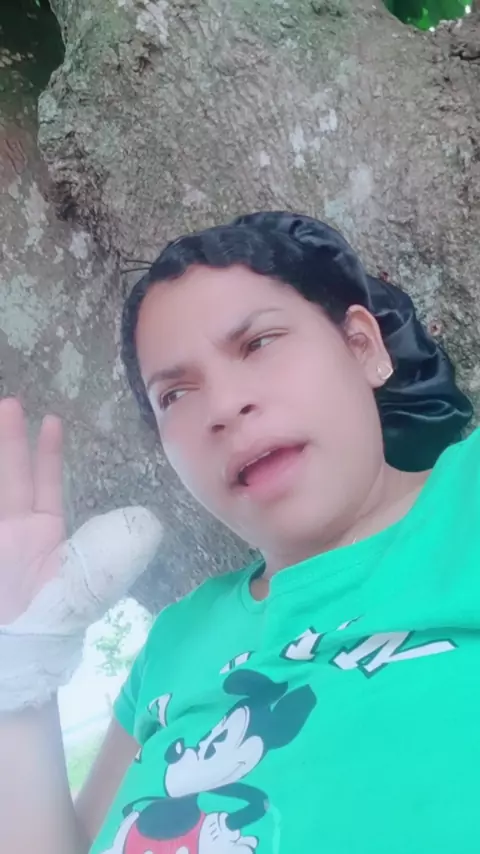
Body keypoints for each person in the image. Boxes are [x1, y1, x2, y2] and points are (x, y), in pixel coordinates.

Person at [0, 211, 478, 854]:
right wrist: (22, 658)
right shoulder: (177, 639)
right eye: (175, 395)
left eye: (258, 343)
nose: (224, 407)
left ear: (363, 346)